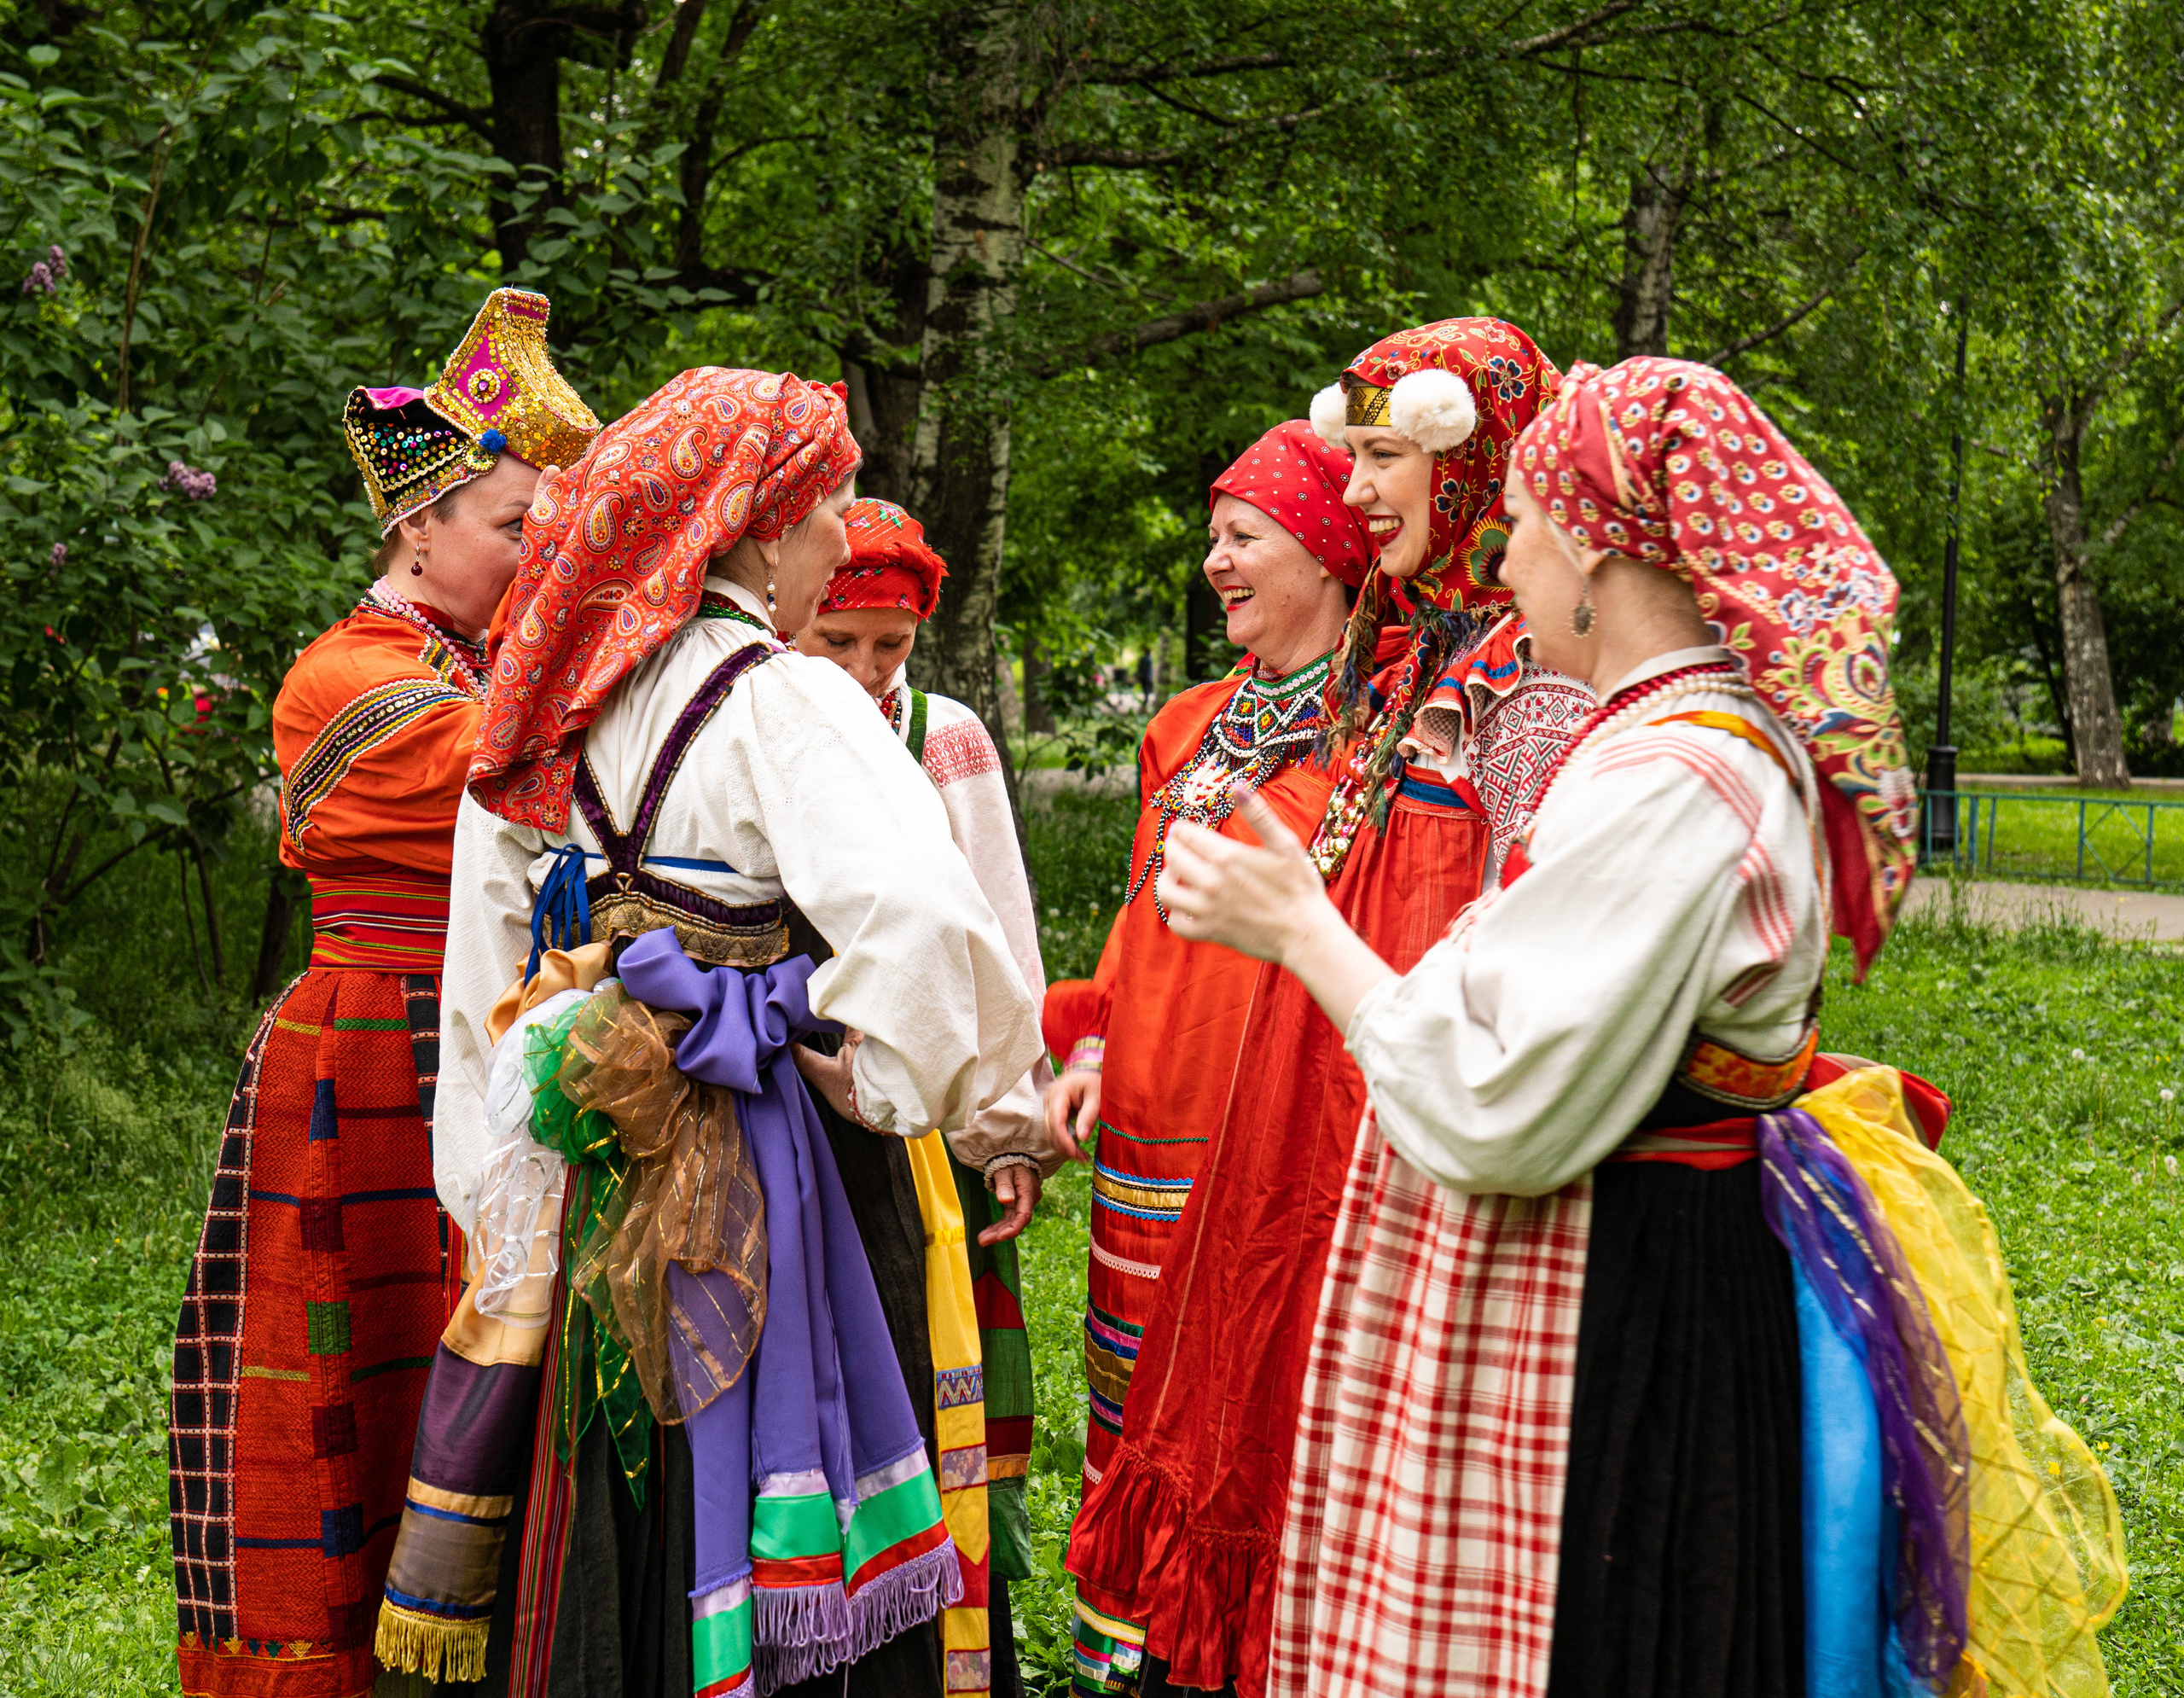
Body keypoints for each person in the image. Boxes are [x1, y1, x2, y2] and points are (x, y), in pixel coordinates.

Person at [1155, 358, 2123, 1698]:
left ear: (1599, 562)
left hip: (1632, 1306)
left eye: (1530, 532)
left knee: (1628, 1634)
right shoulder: (1660, 745)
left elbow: (1500, 1100)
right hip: (1633, 1262)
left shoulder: (1677, 775)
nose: (1509, 568)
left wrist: (1305, 930)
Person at [375, 367, 1044, 1698]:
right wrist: (888, 1082)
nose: (837, 547)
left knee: (635, 1469)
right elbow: (925, 920)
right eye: (827, 515)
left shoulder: (561, 692)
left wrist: (501, 1186)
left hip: (604, 1161)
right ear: (749, 524)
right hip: (781, 1155)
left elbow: (483, 957)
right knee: (796, 1443)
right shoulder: (781, 700)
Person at [1067, 320, 1594, 1696]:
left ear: (1474, 464)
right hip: (1317, 1115)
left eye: (1385, 457)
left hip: (1432, 1126)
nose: (1359, 493)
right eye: (1351, 458)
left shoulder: (1526, 690)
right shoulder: (1417, 665)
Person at [168, 288, 598, 1698]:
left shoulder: (484, 670)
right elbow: (528, 782)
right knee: (370, 1379)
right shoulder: (342, 680)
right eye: (512, 523)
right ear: (418, 527)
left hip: (487, 1051)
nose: (539, 548)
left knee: (498, 1371)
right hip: (373, 1061)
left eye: (546, 523)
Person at [1030, 422, 1369, 1687]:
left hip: (1280, 1119)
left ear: (1330, 549)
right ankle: (1145, 1646)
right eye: (1214, 539)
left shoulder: (1386, 730)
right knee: (1139, 1388)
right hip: (1154, 1114)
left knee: (1260, 1386)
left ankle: (1261, 1641)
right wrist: (1098, 1046)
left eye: (1244, 538)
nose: (1217, 562)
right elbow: (1143, 911)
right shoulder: (1183, 725)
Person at [792, 494, 1066, 1698]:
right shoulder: (772, 723)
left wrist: (1007, 1122)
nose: (863, 670)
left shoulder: (943, 735)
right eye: (838, 640)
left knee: (923, 1358)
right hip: (797, 1096)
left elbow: (999, 931)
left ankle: (943, 1639)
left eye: (888, 646)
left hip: (927, 1111)